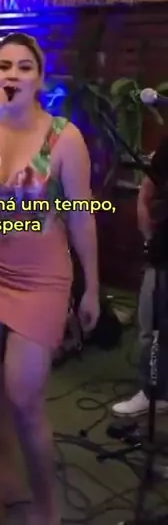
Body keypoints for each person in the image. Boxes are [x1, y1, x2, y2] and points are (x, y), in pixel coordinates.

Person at [0, 33, 100, 525]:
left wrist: (92, 286)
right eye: (4, 65)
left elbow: (81, 217)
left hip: (41, 279)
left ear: (40, 79)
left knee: (23, 397)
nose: (13, 74)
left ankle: (47, 510)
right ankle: (4, 487)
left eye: (24, 66)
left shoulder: (64, 138)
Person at [112, 143, 168, 417]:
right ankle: (152, 392)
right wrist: (147, 230)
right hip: (163, 253)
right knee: (152, 327)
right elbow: (149, 186)